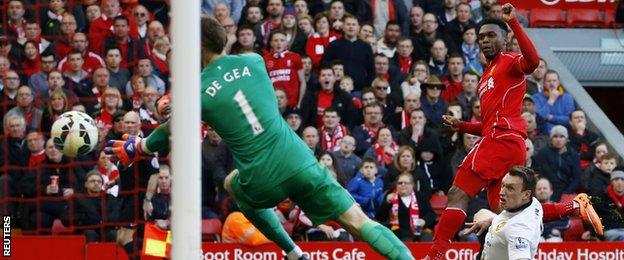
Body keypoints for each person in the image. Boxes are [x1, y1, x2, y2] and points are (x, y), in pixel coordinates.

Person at [106, 16, 414, 260]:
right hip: (299, 161)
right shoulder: (254, 60)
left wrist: (139, 145)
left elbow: (170, 130)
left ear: (195, 46)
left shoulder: (195, 92)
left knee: (231, 183)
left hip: (261, 179)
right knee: (359, 222)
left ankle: (292, 251)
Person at [426, 4, 602, 258]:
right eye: (482, 37)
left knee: (457, 193)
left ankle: (437, 253)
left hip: (500, 140)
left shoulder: (508, 61)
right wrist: (462, 126)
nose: (485, 41)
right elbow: (489, 123)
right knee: (507, 209)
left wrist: (515, 23)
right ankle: (574, 206)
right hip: (505, 142)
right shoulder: (487, 74)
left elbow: (532, 62)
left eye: (491, 36)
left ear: (506, 39)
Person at [465, 166, 542, 260]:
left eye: (510, 188)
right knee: (482, 213)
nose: (501, 192)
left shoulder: (517, 230)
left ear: (526, 194)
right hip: (495, 242)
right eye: (503, 185)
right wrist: (492, 220)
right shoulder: (534, 203)